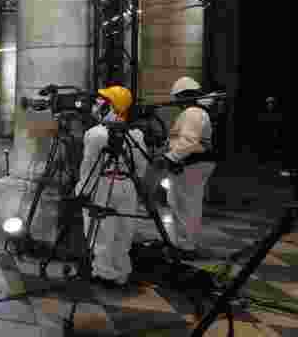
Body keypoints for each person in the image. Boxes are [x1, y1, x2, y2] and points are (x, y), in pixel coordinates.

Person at [74, 85, 148, 287]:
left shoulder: (96, 134)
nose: (96, 104)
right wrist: (134, 186)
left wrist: (82, 191)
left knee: (101, 231)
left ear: (112, 106)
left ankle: (104, 273)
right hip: (127, 186)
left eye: (102, 101)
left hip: (104, 184)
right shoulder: (136, 134)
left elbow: (89, 167)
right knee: (124, 231)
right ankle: (121, 272)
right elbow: (141, 165)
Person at [157, 76, 216, 257]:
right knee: (181, 204)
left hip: (191, 165)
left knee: (185, 206)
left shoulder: (192, 113)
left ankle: (186, 246)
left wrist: (170, 158)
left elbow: (188, 141)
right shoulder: (198, 112)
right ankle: (181, 243)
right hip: (191, 164)